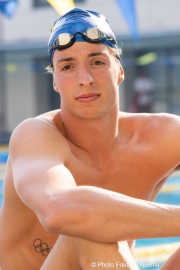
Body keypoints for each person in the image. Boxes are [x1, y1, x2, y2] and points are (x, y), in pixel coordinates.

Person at [0, 7, 180, 270]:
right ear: (55, 83)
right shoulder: (36, 136)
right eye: (68, 66)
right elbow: (59, 210)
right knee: (87, 230)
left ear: (119, 70)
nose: (84, 80)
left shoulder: (163, 137)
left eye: (97, 62)